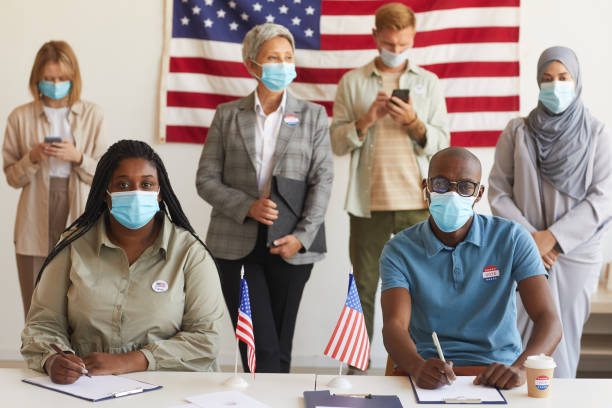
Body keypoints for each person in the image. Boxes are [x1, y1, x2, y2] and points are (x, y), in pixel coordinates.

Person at [21, 140, 226, 384]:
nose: (136, 192)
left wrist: (132, 360)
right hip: (88, 386)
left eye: (147, 184)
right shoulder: (72, 246)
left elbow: (206, 339)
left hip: (171, 387)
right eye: (123, 184)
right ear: (105, 193)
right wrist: (54, 359)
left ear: (160, 194)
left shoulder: (190, 253)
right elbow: (44, 323)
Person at [196, 23, 333, 374]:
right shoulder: (227, 115)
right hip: (235, 243)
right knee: (257, 344)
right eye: (273, 57)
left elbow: (322, 180)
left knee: (280, 345)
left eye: (288, 57)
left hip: (291, 243)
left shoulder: (313, 115)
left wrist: (301, 238)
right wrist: (248, 206)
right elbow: (206, 180)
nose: (283, 65)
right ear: (252, 64)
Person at [380, 147, 562, 390]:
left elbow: (549, 319)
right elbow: (394, 326)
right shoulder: (399, 249)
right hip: (428, 372)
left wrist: (520, 368)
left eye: (465, 186)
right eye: (442, 184)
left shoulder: (512, 238)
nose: (453, 194)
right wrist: (416, 366)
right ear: (426, 187)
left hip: (500, 372)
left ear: (479, 193)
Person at [330, 3, 449, 355]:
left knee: (427, 288)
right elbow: (337, 142)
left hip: (419, 205)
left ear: (412, 39)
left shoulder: (428, 82)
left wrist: (413, 122)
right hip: (370, 206)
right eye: (389, 44)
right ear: (375, 37)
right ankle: (359, 364)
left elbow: (443, 143)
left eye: (403, 45)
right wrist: (367, 119)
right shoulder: (352, 82)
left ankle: (427, 361)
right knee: (364, 288)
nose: (396, 51)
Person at [488, 46, 612, 378]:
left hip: (574, 254)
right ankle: (512, 389)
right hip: (521, 249)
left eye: (562, 78)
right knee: (514, 329)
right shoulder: (518, 132)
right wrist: (531, 241)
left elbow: (603, 198)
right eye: (546, 79)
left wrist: (553, 239)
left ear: (576, 80)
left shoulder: (597, 134)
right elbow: (498, 191)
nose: (555, 86)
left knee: (565, 333)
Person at [3, 40, 106, 318]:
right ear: (37, 78)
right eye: (49, 79)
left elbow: (105, 175)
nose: (55, 84)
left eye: (62, 78)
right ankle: (40, 357)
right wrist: (32, 157)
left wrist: (78, 156)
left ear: (74, 78)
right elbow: (11, 176)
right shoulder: (19, 117)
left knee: (80, 301)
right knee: (36, 300)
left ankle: (75, 360)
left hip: (79, 207)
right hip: (34, 211)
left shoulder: (92, 115)